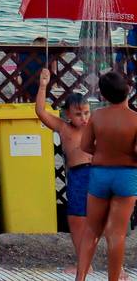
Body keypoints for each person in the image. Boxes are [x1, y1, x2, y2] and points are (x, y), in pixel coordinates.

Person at [75, 71, 137, 281]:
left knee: (91, 229)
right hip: (126, 176)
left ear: (103, 94)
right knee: (116, 234)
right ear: (127, 91)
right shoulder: (135, 119)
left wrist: (102, 153)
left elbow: (84, 146)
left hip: (100, 174)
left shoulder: (98, 115)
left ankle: (80, 277)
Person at [36, 67, 94, 268]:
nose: (84, 118)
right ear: (67, 114)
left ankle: (117, 265)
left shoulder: (95, 126)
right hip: (76, 175)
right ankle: (83, 262)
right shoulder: (63, 127)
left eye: (87, 113)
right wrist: (43, 86)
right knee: (76, 219)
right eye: (78, 114)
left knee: (103, 219)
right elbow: (41, 111)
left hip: (96, 173)